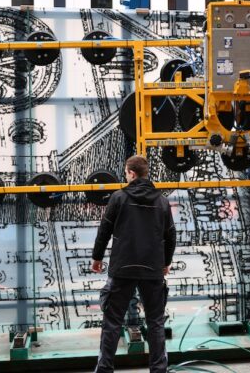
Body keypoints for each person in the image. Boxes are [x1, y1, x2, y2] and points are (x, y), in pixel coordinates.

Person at [92, 155, 176, 373]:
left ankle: (104, 369)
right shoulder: (162, 202)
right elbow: (171, 236)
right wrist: (166, 263)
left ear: (130, 173)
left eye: (126, 172)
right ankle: (159, 370)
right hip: (152, 269)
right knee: (155, 322)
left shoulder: (118, 198)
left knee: (112, 321)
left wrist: (97, 257)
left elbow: (105, 230)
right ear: (145, 173)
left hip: (123, 267)